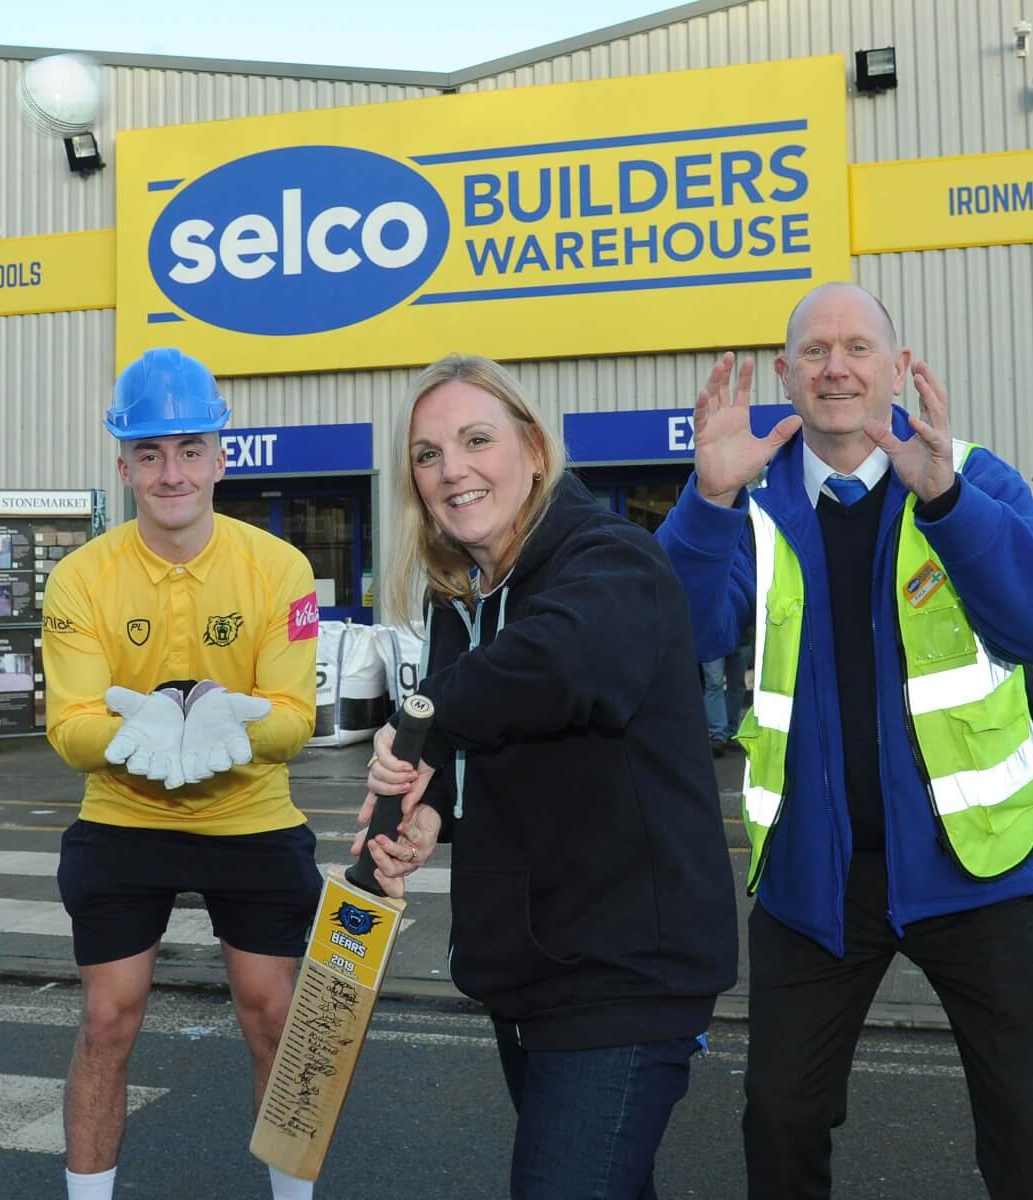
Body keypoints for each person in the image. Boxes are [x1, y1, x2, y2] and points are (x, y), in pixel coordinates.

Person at [654, 282, 1033, 1199]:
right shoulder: (751, 494)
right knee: (779, 1122)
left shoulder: (970, 474)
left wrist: (948, 503)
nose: (837, 368)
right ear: (785, 375)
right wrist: (705, 501)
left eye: (859, 348)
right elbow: (674, 639)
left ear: (898, 368)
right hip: (817, 877)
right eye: (814, 352)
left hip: (978, 866)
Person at [361, 353, 737, 1200]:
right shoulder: (464, 594)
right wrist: (436, 817)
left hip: (620, 975)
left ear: (534, 449)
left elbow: (559, 669)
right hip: (531, 971)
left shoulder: (609, 560)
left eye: (475, 439)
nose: (451, 468)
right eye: (427, 454)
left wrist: (418, 723)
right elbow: (505, 750)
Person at [40, 348, 322, 1200]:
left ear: (221, 456)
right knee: (107, 1018)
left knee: (275, 1015)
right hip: (124, 818)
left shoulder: (281, 569)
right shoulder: (80, 576)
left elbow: (294, 715)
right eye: (151, 453)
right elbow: (70, 724)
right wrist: (139, 738)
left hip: (252, 815)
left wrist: (237, 732)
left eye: (190, 449)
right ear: (123, 463)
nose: (172, 472)